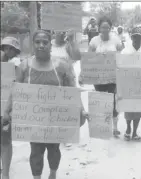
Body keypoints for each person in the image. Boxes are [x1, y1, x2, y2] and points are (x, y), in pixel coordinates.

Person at [2, 30, 87, 179]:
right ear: (33, 45)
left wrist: (82, 109)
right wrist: (7, 110)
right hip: (33, 120)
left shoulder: (62, 66)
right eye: (37, 42)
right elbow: (15, 90)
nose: (41, 45)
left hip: (56, 119)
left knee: (54, 150)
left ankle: (53, 173)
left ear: (50, 45)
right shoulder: (24, 66)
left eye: (45, 42)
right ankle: (37, 177)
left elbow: (72, 90)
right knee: (36, 151)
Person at [86, 16, 123, 137]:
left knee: (113, 100)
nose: (105, 29)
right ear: (99, 28)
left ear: (110, 28)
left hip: (112, 76)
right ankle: (103, 127)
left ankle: (115, 127)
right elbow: (89, 57)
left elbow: (121, 55)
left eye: (107, 27)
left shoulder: (116, 40)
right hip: (98, 77)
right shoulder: (94, 41)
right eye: (103, 27)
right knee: (102, 100)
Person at [120, 26, 141, 141]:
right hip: (129, 84)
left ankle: (135, 132)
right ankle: (128, 128)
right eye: (134, 37)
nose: (136, 39)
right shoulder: (125, 51)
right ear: (131, 37)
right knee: (129, 109)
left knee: (138, 110)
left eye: (138, 37)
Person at [1, 36, 21, 179]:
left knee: (5, 140)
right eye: (6, 48)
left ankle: (6, 173)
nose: (8, 51)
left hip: (5, 107)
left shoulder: (15, 64)